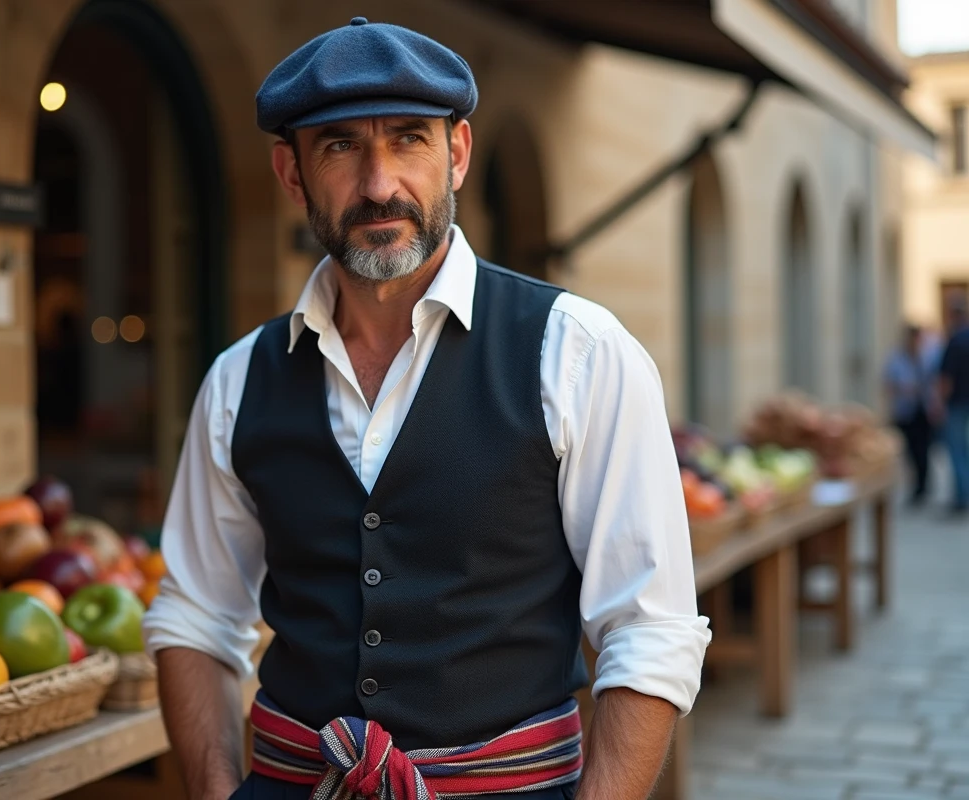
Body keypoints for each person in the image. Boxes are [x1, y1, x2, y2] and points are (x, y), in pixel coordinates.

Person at [142, 17, 710, 800]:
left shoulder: (579, 353)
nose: (380, 185)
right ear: (291, 173)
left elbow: (649, 630)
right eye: (340, 146)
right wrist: (217, 789)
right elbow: (195, 617)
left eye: (408, 140)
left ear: (458, 154)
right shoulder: (238, 380)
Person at [884, 324, 938, 504]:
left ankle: (923, 485)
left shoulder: (929, 357)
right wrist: (903, 390)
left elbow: (936, 381)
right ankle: (915, 484)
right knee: (910, 450)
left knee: (924, 449)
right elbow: (887, 383)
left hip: (923, 409)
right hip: (906, 410)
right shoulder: (896, 358)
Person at [940, 302, 969, 513]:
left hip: (958, 402)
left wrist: (940, 402)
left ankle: (962, 496)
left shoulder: (955, 340)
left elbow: (946, 378)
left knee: (957, 449)